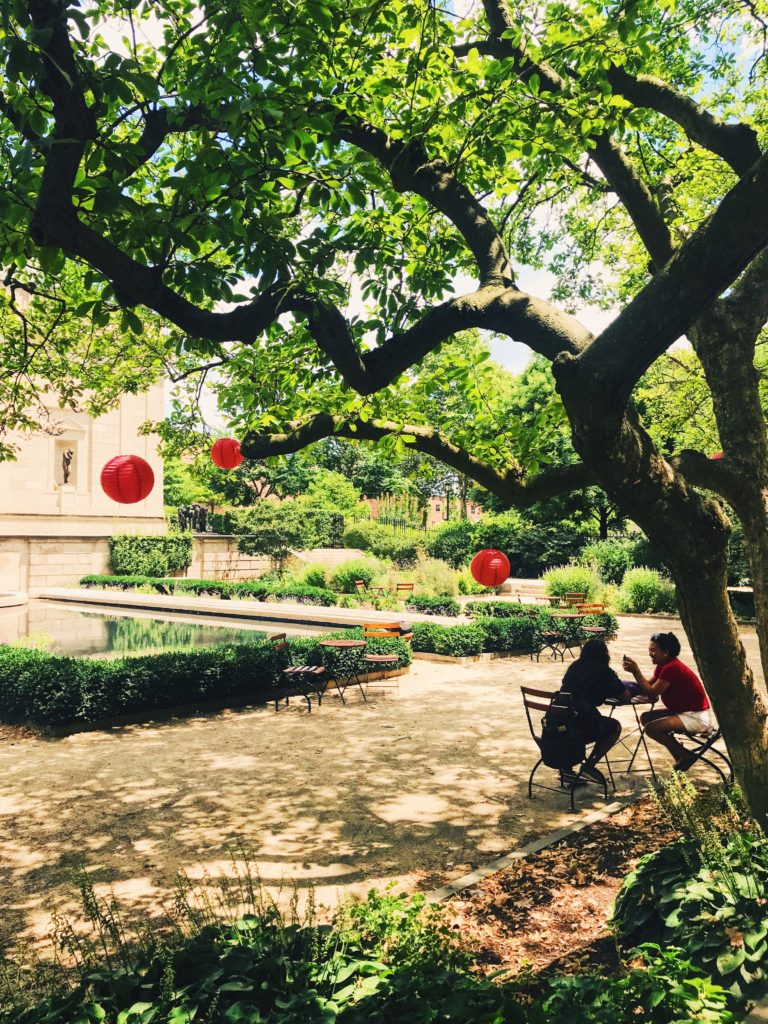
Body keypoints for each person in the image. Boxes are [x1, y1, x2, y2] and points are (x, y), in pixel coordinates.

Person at [622, 632, 711, 771]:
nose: (650, 654)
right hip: (683, 712)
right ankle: (680, 756)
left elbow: (652, 691)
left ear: (666, 652)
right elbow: (647, 685)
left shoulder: (672, 668)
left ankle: (685, 756)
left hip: (695, 716)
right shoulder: (663, 665)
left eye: (653, 650)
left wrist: (636, 671)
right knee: (646, 718)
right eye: (649, 650)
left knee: (651, 728)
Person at [558, 638, 631, 782]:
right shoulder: (604, 672)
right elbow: (625, 697)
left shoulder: (575, 667)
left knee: (587, 721)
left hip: (558, 725)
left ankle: (567, 769)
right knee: (614, 727)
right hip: (578, 726)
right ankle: (589, 766)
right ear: (605, 655)